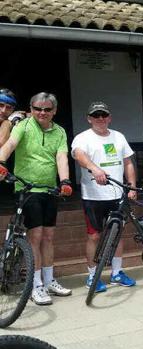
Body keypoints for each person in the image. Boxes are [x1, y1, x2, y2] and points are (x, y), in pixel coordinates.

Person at [0, 92, 73, 305]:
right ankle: (36, 284)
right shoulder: (23, 126)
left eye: (47, 109)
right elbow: (9, 145)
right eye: (37, 109)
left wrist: (65, 181)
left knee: (49, 236)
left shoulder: (60, 131)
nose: (42, 112)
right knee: (36, 235)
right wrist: (1, 162)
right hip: (27, 188)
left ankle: (49, 280)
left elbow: (61, 157)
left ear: (54, 111)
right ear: (31, 109)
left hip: (49, 190)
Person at [71, 101, 137, 293]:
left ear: (109, 117)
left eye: (104, 115)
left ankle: (117, 273)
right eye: (96, 115)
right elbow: (79, 155)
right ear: (89, 118)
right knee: (94, 236)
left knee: (117, 233)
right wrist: (94, 168)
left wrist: (131, 186)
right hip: (93, 196)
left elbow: (128, 162)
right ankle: (93, 275)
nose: (100, 118)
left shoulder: (119, 136)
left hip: (117, 195)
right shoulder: (83, 138)